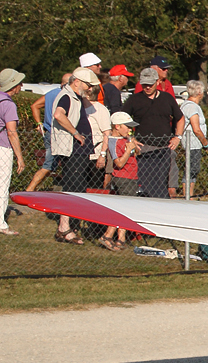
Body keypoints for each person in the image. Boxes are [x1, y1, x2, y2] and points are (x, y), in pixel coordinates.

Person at [51, 68, 102, 244]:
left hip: (79, 151)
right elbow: (58, 115)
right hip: (72, 150)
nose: (89, 89)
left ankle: (69, 226)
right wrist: (75, 133)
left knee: (78, 187)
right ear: (77, 82)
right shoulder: (66, 96)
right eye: (88, 85)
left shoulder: (76, 97)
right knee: (72, 187)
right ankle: (64, 228)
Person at [123, 67, 184, 199]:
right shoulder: (134, 100)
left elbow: (180, 118)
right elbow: (121, 119)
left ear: (157, 82)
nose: (147, 87)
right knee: (147, 188)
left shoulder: (167, 98)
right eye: (144, 84)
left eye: (150, 84)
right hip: (143, 150)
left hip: (165, 149)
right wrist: (130, 138)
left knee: (170, 189)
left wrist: (177, 137)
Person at [99, 112, 142, 250]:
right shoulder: (113, 141)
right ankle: (108, 235)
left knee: (123, 208)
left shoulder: (126, 139)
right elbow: (119, 163)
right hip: (124, 178)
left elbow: (138, 153)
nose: (129, 130)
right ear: (117, 126)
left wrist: (133, 145)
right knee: (125, 210)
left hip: (130, 177)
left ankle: (119, 238)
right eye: (127, 127)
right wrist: (128, 150)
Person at [25, 74, 69, 192]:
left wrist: (39, 123)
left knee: (52, 165)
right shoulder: (66, 96)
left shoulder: (51, 93)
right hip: (60, 134)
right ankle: (29, 190)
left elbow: (35, 105)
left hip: (49, 133)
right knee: (48, 165)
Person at [0, 68, 26, 237]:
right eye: (19, 83)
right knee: (2, 187)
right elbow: (12, 132)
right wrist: (20, 158)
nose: (21, 85)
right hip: (2, 148)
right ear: (13, 85)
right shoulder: (8, 104)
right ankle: (1, 224)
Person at [179, 80, 208, 198]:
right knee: (191, 169)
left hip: (194, 144)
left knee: (193, 169)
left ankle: (189, 194)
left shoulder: (189, 105)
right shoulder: (192, 107)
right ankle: (188, 195)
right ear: (199, 93)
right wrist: (205, 142)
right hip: (192, 143)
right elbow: (196, 129)